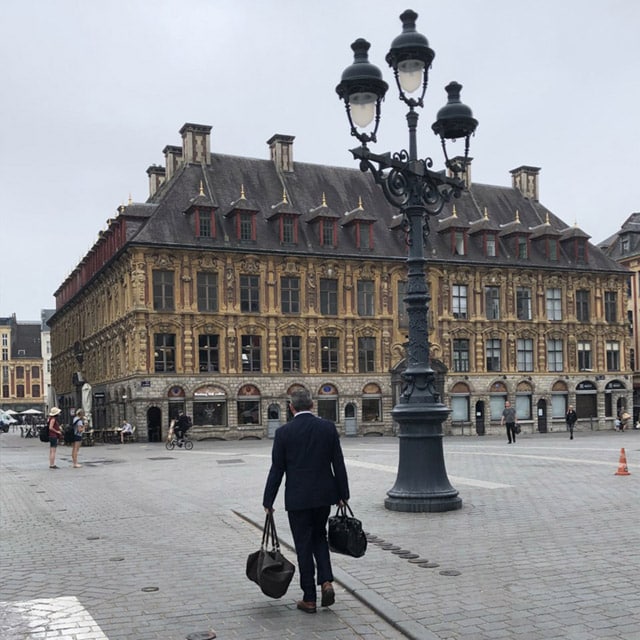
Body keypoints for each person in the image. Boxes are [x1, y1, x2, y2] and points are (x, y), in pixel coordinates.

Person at [262, 389, 350, 614]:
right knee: (320, 538)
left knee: (303, 545)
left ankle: (309, 598)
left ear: (291, 408)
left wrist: (268, 500)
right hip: (324, 496)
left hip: (298, 498)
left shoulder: (284, 433)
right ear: (312, 405)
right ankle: (327, 582)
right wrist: (343, 495)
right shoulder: (328, 428)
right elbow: (338, 464)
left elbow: (277, 469)